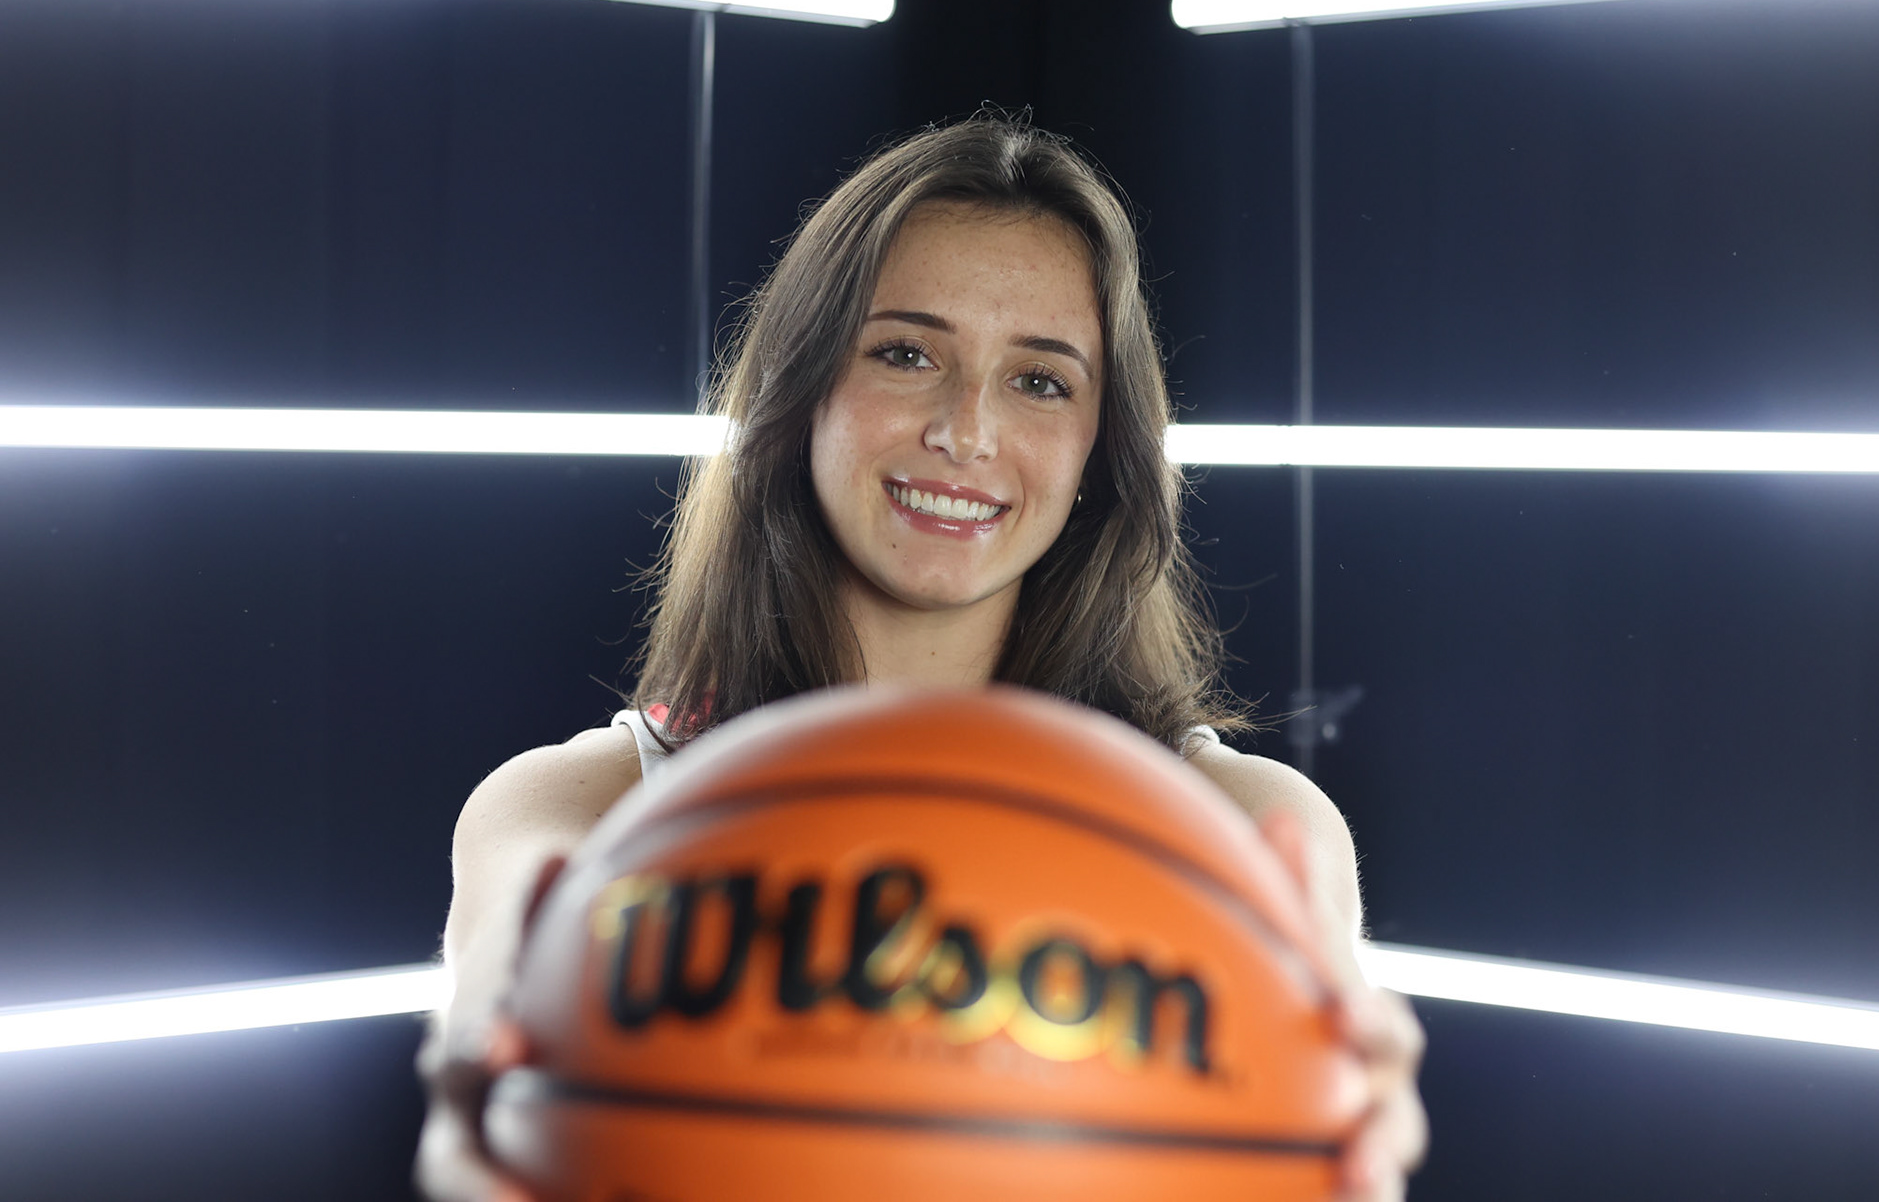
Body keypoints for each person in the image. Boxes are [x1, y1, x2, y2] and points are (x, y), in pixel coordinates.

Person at [416, 116, 1426, 1202]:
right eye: (905, 353)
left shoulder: (1243, 831)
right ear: (801, 394)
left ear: (1100, 447)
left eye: (1042, 380)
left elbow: (1325, 1107)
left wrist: (1343, 1105)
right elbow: (493, 1009)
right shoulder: (577, 807)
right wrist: (488, 1082)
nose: (966, 429)